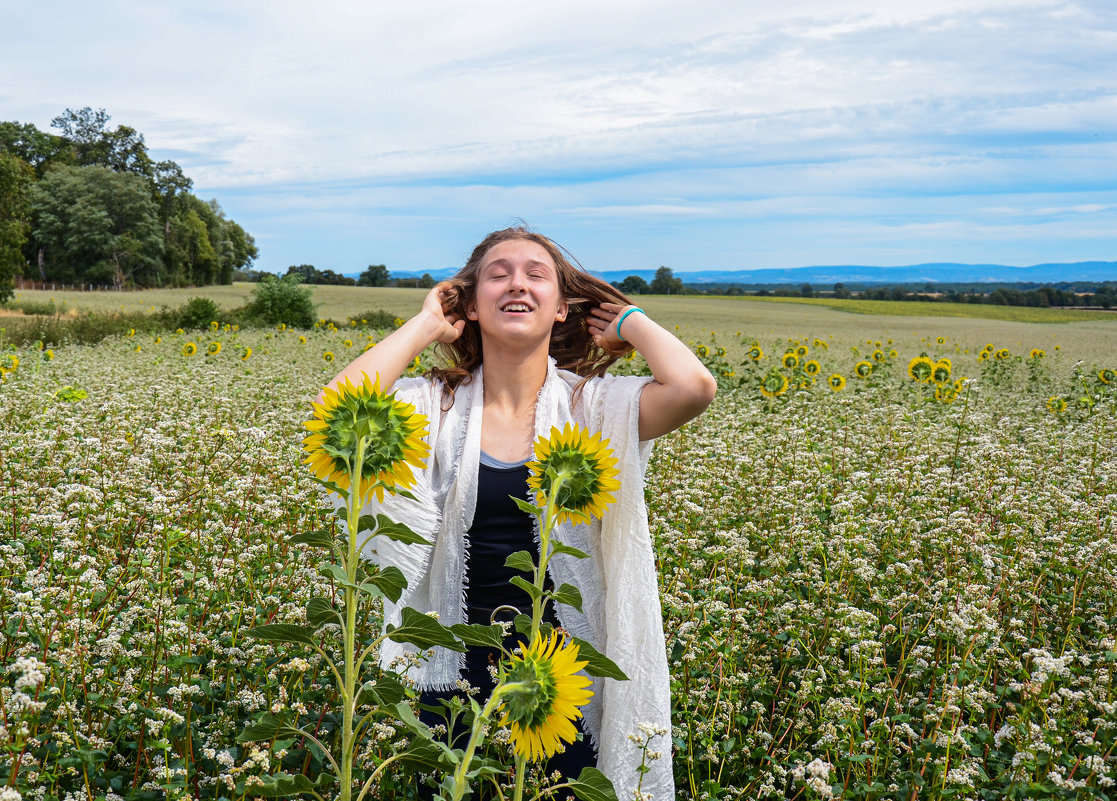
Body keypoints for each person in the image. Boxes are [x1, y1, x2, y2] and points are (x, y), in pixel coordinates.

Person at [320, 226, 716, 799]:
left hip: (557, 683)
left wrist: (627, 321)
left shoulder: (594, 406)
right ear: (472, 304)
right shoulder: (431, 405)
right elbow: (337, 408)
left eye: (537, 275)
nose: (517, 284)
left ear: (560, 309)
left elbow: (693, 387)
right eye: (498, 273)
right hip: (447, 671)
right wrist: (427, 323)